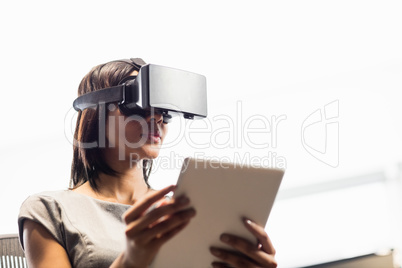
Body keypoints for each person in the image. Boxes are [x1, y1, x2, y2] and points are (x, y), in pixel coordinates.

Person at [18, 58, 278, 268]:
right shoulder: (50, 211)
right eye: (138, 104)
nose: (156, 119)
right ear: (96, 114)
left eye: (164, 110)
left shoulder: (184, 209)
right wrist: (131, 261)